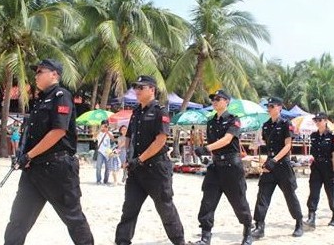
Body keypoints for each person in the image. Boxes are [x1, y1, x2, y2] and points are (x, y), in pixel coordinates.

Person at [4, 59, 94, 245]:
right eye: (36, 72)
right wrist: (24, 155)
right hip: (34, 169)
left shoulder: (62, 96)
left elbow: (58, 131)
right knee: (18, 220)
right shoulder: (41, 99)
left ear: (54, 74)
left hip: (57, 169)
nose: (36, 75)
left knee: (73, 219)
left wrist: (30, 155)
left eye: (40, 71)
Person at [115, 75, 185, 245]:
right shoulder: (136, 112)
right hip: (136, 170)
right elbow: (129, 137)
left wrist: (139, 160)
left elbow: (160, 140)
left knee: (165, 208)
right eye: (135, 87)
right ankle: (122, 241)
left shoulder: (160, 111)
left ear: (152, 89)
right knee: (129, 210)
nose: (137, 91)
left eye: (141, 87)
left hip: (156, 170)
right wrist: (126, 157)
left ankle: (179, 241)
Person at [192, 89, 253, 245]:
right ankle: (205, 236)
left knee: (239, 202)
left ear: (227, 102)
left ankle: (247, 231)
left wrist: (206, 149)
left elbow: (227, 140)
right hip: (216, 166)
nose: (215, 101)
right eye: (213, 99)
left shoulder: (234, 120)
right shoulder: (211, 122)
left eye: (219, 99)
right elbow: (213, 143)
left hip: (232, 166)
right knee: (207, 201)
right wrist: (205, 152)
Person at [250, 97, 303, 239]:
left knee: (290, 195)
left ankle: (299, 223)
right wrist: (257, 147)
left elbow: (288, 146)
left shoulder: (286, 123)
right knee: (263, 194)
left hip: (282, 165)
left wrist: (274, 160)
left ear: (279, 107)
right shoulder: (266, 125)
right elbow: (265, 144)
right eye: (268, 106)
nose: (269, 108)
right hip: (270, 164)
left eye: (272, 106)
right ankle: (259, 226)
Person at [305, 112, 334, 229]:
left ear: (326, 121)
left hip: (328, 167)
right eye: (316, 120)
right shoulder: (313, 135)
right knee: (314, 191)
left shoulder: (332, 136)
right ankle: (311, 216)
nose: (318, 122)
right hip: (316, 167)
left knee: (331, 192)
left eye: (320, 120)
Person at [95, 120, 114, 185]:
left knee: (108, 167)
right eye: (103, 125)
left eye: (106, 125)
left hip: (108, 152)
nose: (105, 126)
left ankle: (106, 180)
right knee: (98, 167)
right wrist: (100, 129)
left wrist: (107, 131)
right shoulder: (99, 132)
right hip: (100, 151)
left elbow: (113, 139)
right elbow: (94, 136)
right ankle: (98, 180)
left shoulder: (110, 132)